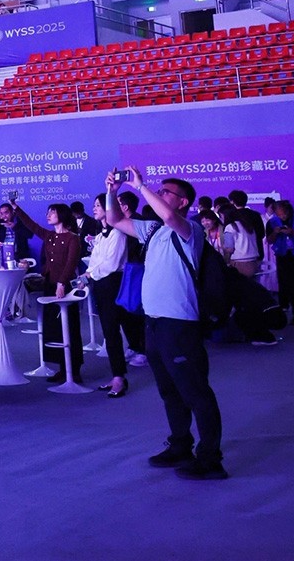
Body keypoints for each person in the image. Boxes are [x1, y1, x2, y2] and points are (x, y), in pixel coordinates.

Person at [105, 167, 227, 480]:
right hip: (154, 322)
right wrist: (112, 192)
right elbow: (115, 220)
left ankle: (210, 458)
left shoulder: (191, 229)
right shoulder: (153, 230)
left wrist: (141, 186)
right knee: (169, 391)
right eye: (159, 191)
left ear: (183, 201)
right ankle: (180, 444)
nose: (159, 194)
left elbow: (171, 217)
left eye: (165, 192)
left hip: (179, 323)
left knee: (195, 391)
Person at [13, 203, 85, 385]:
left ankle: (74, 369)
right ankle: (62, 367)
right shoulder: (50, 236)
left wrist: (62, 283)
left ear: (62, 215)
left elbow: (71, 263)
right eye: (48, 212)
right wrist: (16, 208)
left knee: (69, 326)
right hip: (49, 284)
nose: (49, 215)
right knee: (54, 327)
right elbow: (32, 225)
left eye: (53, 212)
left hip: (65, 287)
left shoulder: (73, 238)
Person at [87, 197, 136, 398]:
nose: (94, 209)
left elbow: (112, 264)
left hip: (113, 284)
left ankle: (119, 377)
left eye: (98, 205)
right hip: (100, 285)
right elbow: (94, 261)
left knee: (115, 330)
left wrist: (91, 273)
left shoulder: (118, 233)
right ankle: (117, 374)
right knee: (109, 331)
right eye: (94, 206)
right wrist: (90, 273)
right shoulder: (100, 235)